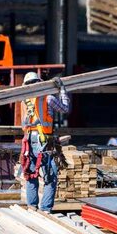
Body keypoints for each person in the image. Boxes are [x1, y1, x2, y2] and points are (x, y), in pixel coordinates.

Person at [19, 71, 70, 212]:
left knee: (31, 174)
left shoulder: (24, 100)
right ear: (39, 83)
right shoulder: (47, 98)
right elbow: (65, 108)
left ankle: (32, 207)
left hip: (28, 140)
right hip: (43, 140)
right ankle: (46, 209)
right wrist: (62, 90)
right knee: (51, 177)